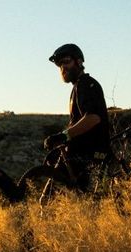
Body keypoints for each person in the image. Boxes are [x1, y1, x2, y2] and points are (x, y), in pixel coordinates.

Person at [43, 43, 112, 190]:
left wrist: (64, 135)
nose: (63, 67)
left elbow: (93, 118)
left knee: (56, 196)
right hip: (80, 153)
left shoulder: (87, 85)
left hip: (89, 154)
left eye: (66, 61)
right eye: (60, 64)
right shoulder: (78, 87)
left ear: (79, 62)